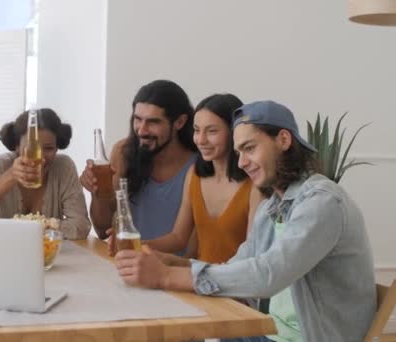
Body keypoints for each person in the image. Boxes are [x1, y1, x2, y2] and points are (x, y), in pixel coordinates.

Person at [115, 100, 376, 341]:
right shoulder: (272, 207)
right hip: (267, 333)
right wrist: (173, 262)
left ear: (283, 139)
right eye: (238, 152)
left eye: (250, 148)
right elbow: (239, 268)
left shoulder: (323, 202)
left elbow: (268, 275)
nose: (241, 163)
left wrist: (167, 276)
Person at [146, 94, 263, 262]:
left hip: (236, 284)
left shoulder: (254, 184)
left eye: (212, 131)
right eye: (196, 130)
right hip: (198, 281)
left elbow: (252, 257)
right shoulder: (194, 174)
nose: (200, 140)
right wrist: (135, 244)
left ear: (234, 132)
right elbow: (179, 238)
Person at [80, 80, 198, 242]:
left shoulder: (199, 165)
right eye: (138, 119)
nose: (141, 130)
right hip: (129, 262)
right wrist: (97, 192)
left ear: (179, 122)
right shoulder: (123, 153)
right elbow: (102, 230)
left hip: (176, 265)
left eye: (153, 122)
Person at [0, 108, 90, 239]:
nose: (40, 157)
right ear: (17, 146)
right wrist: (11, 175)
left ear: (57, 147)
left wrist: (40, 227)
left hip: (48, 255)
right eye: (32, 148)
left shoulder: (64, 168)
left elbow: (81, 226)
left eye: (49, 148)